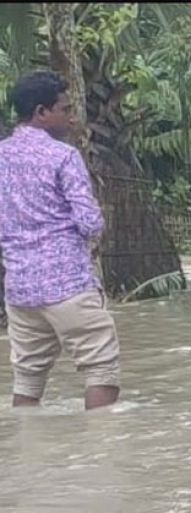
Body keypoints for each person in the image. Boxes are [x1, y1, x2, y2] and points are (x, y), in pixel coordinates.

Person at [0, 71, 118, 410]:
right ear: (41, 112)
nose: (71, 117)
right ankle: (104, 451)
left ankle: (30, 450)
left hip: (20, 288)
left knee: (28, 376)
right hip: (67, 283)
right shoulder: (63, 156)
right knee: (100, 367)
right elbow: (89, 221)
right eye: (65, 109)